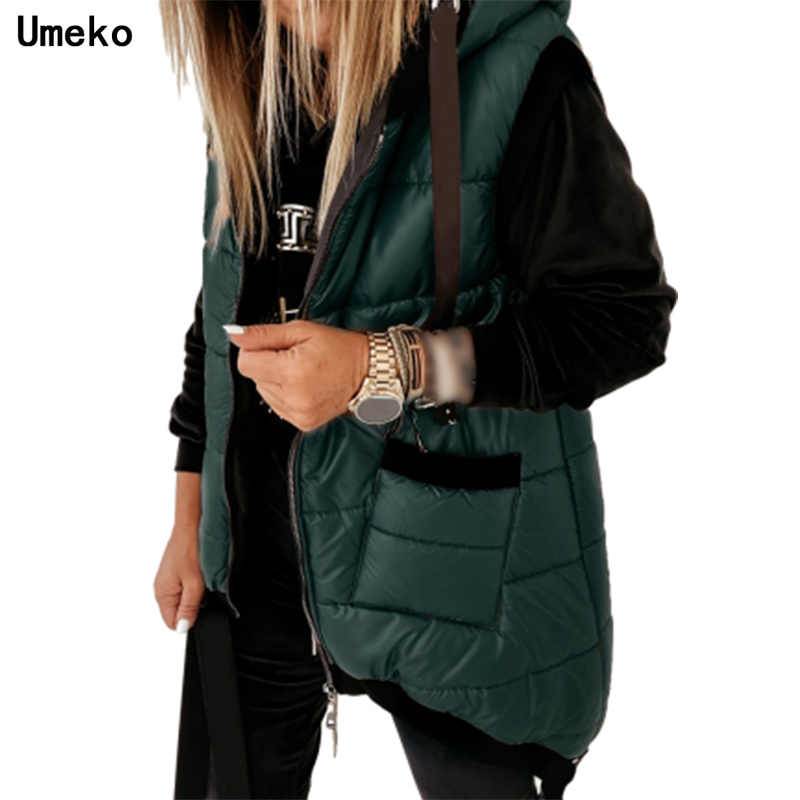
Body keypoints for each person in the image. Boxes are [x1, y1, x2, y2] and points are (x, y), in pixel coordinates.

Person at [154, 1, 678, 798]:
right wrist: (193, 516)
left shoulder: (519, 65)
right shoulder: (256, 71)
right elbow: (224, 298)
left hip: (452, 573)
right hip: (255, 563)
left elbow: (621, 319)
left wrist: (383, 366)